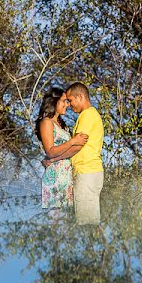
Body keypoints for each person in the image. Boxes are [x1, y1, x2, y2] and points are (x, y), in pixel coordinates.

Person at [45, 82, 104, 224]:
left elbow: (77, 145)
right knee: (90, 220)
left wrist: (53, 159)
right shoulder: (91, 114)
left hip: (86, 172)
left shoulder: (87, 115)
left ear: (80, 96)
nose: (70, 105)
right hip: (91, 172)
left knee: (86, 222)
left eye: (70, 100)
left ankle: (91, 246)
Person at [35, 87, 88, 209]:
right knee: (56, 220)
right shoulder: (46, 122)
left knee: (65, 222)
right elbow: (50, 151)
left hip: (66, 176)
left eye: (68, 101)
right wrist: (73, 141)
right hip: (56, 177)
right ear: (54, 102)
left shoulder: (62, 124)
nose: (67, 105)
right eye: (64, 101)